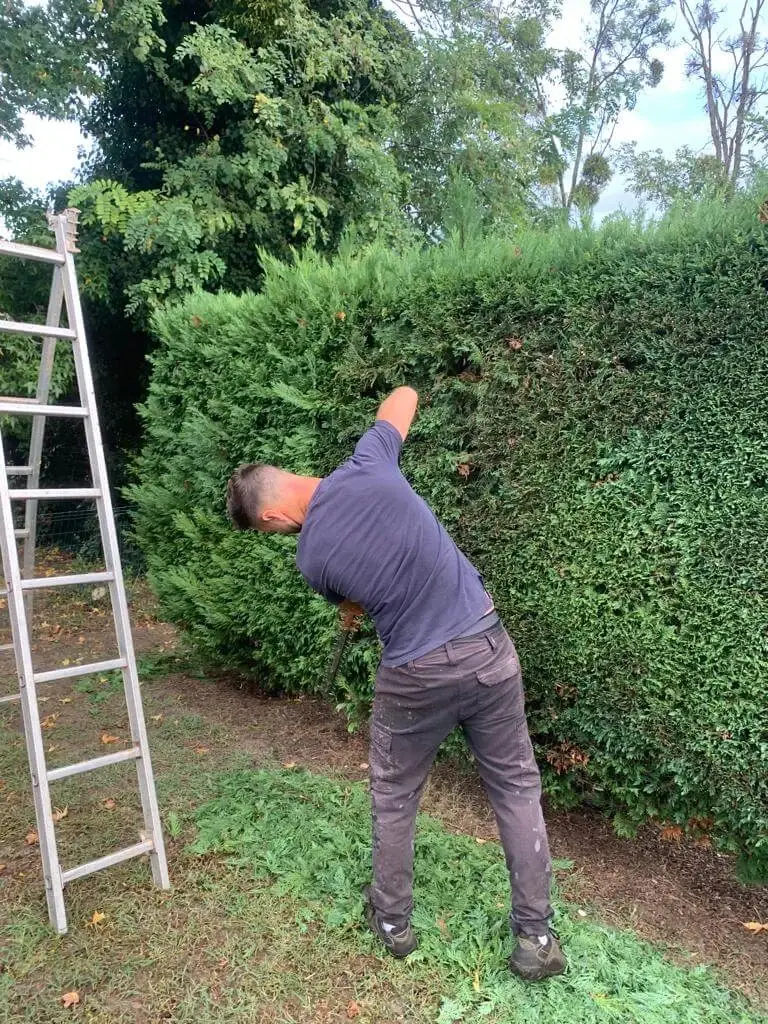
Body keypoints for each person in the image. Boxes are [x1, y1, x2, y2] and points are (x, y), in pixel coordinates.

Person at [226, 386, 566, 981]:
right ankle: (536, 938)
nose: (276, 535)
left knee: (395, 793)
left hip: (415, 673)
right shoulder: (369, 460)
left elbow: (355, 599)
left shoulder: (312, 559)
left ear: (273, 516)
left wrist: (351, 607)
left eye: (266, 531)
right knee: (516, 788)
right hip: (487, 647)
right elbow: (404, 396)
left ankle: (392, 922)